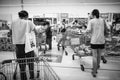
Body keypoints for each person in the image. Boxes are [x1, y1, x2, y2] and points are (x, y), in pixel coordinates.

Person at [11, 10, 37, 80]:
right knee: (30, 62)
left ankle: (23, 78)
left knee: (21, 63)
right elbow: (36, 31)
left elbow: (11, 32)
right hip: (28, 45)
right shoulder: (29, 22)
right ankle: (32, 77)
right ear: (26, 16)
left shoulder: (13, 22)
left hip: (18, 46)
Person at [85, 9, 107, 77]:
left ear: (93, 14)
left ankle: (94, 72)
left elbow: (88, 30)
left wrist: (86, 32)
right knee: (99, 56)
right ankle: (96, 68)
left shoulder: (91, 21)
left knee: (94, 56)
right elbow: (107, 29)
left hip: (94, 41)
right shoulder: (103, 20)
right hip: (101, 41)